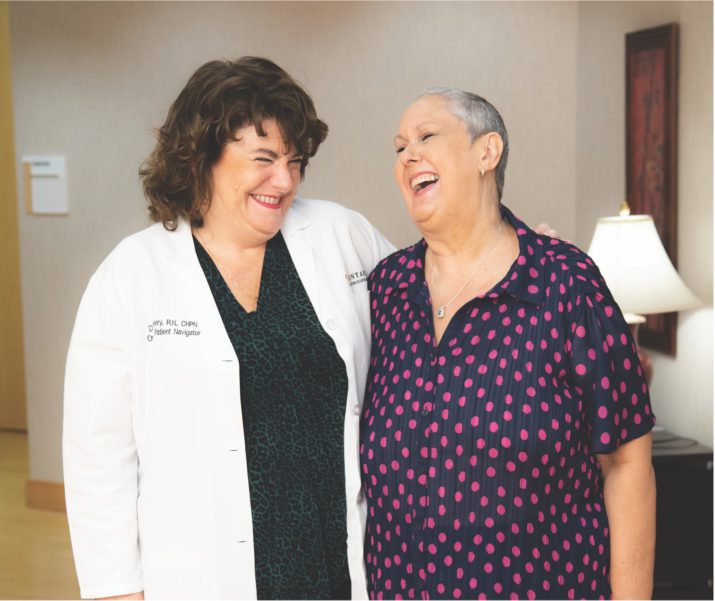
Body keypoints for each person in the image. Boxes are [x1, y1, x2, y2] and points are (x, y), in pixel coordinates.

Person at [63, 56, 395, 600]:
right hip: (205, 573)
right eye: (263, 158)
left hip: (337, 564)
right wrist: (115, 590)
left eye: (295, 161)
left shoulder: (340, 234)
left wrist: (511, 256)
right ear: (201, 158)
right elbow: (98, 455)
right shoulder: (132, 275)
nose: (284, 180)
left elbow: (433, 302)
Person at [360, 89, 656, 600]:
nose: (408, 155)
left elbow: (628, 465)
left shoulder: (565, 283)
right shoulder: (385, 289)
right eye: (399, 146)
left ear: (486, 152)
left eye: (427, 136)